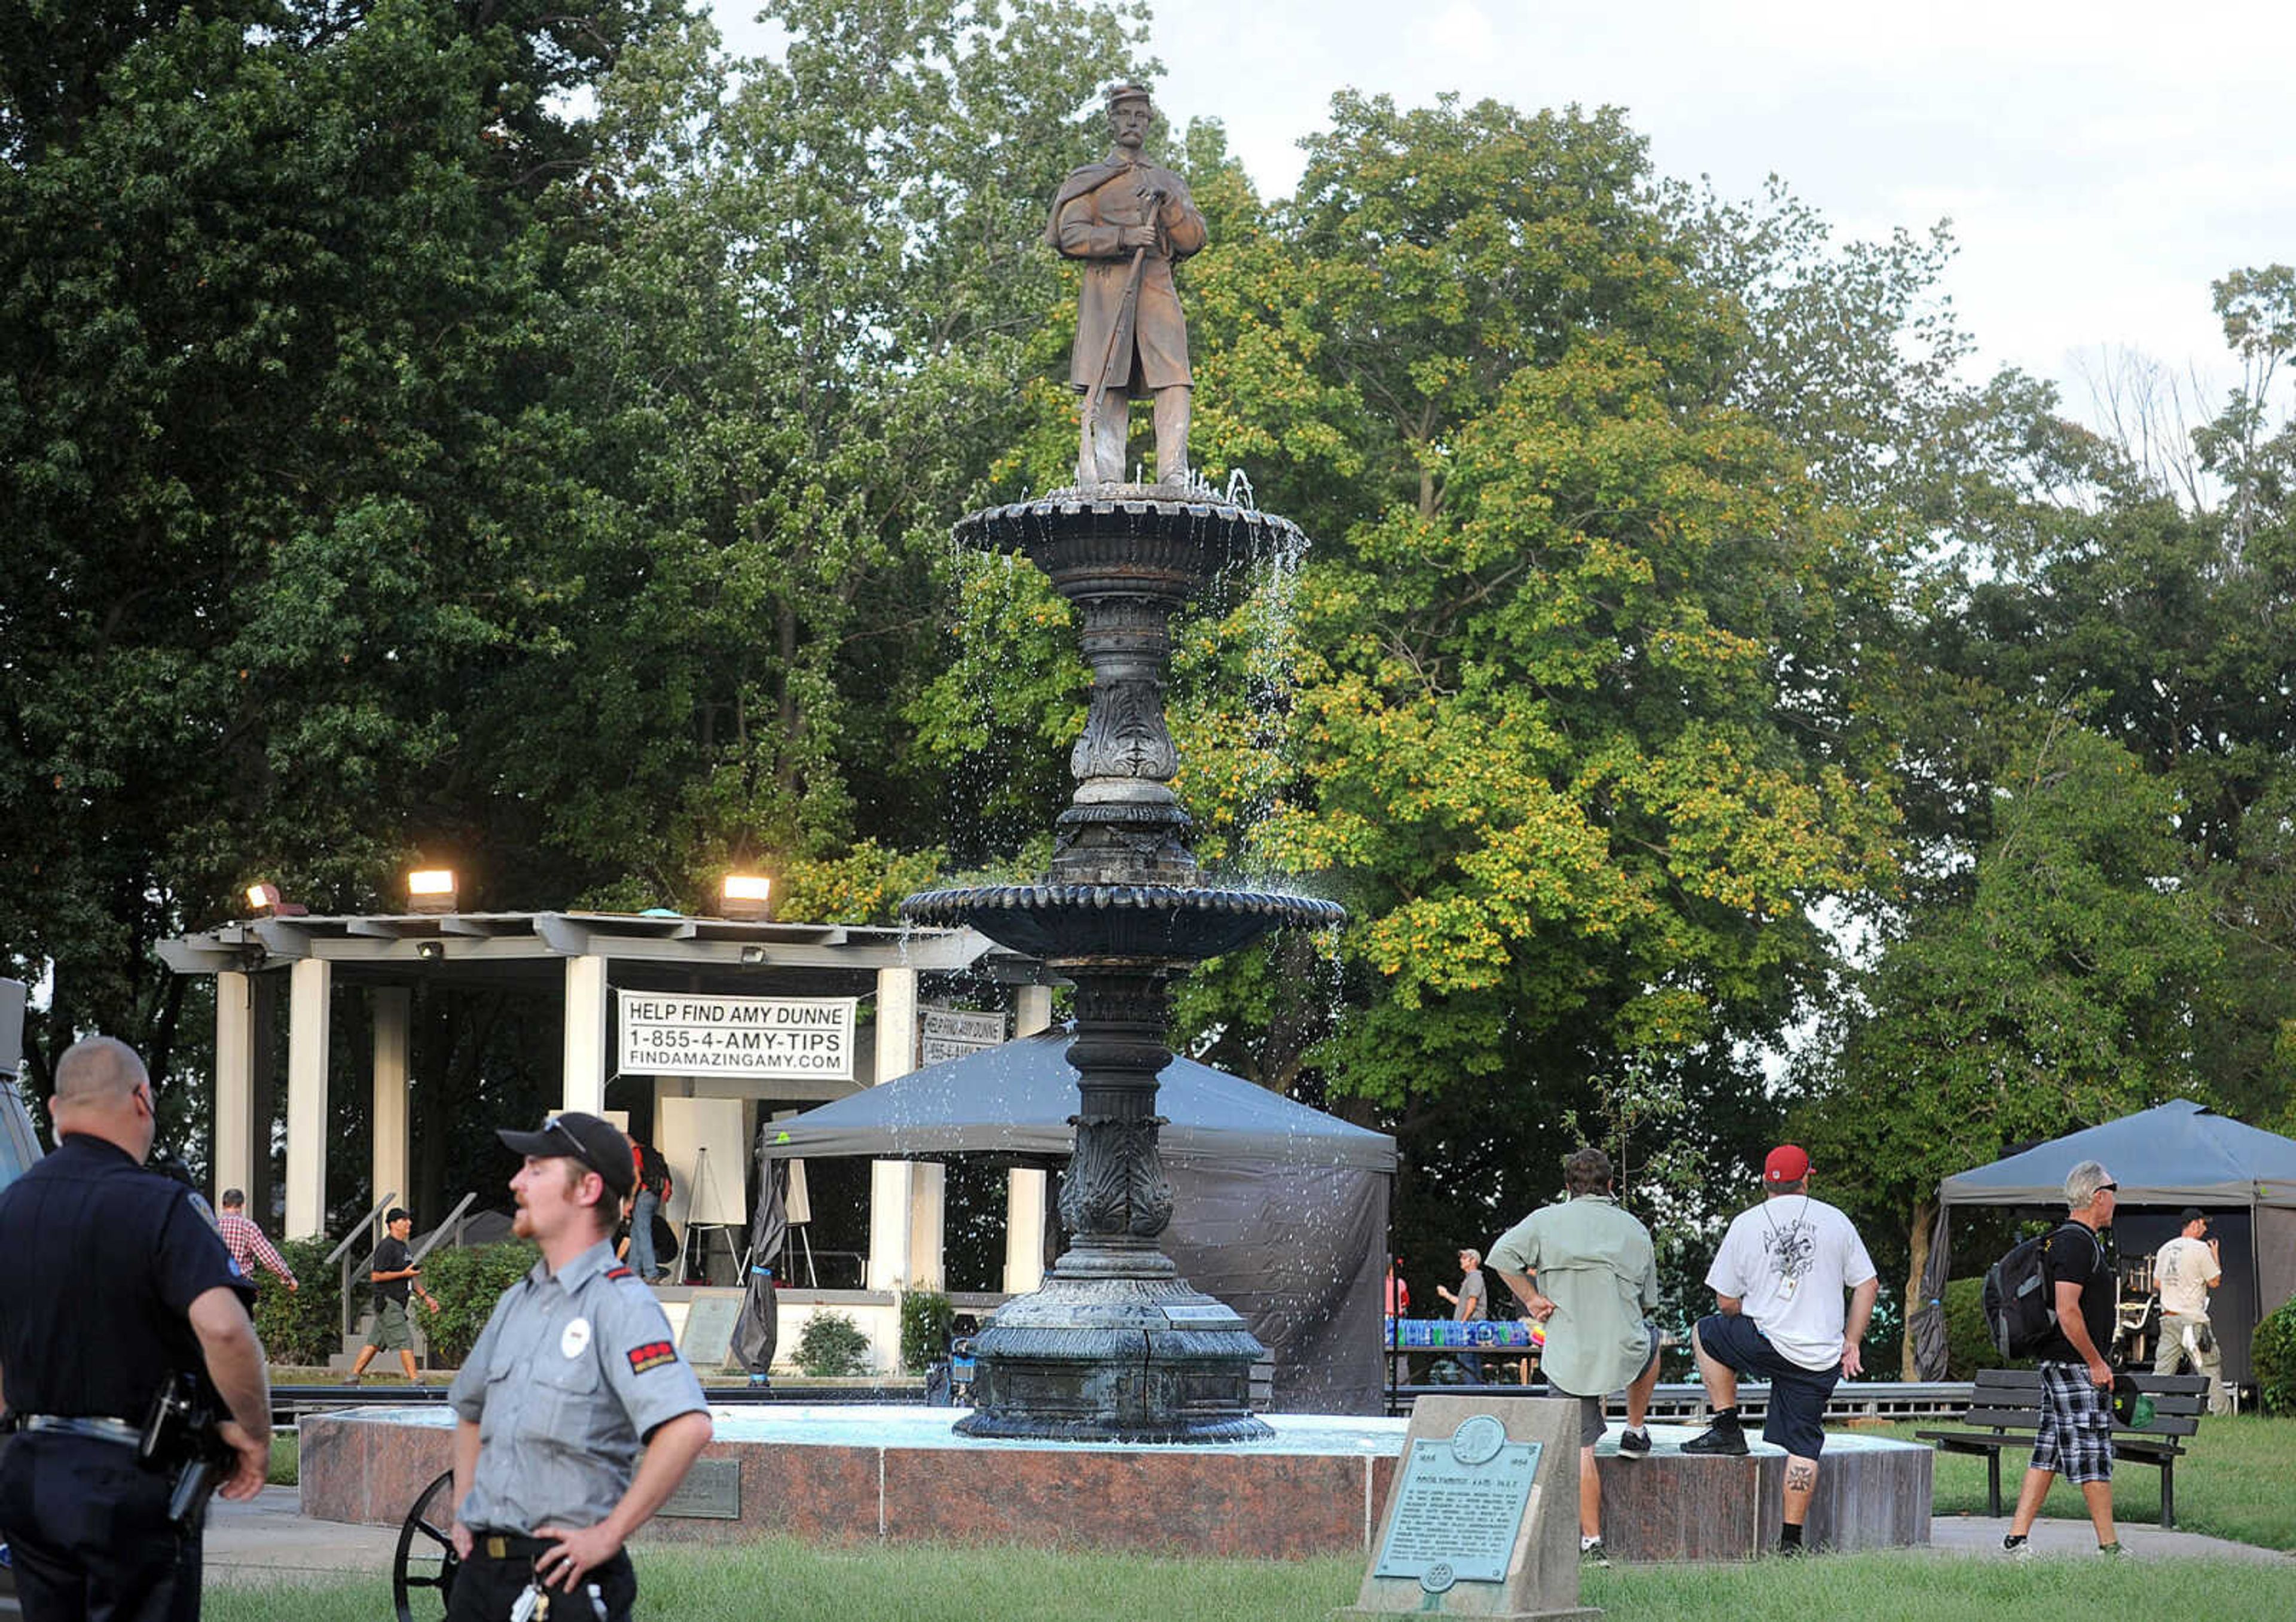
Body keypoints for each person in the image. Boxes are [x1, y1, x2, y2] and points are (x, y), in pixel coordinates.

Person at [0, 1036, 271, 1621]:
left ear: (53, 1110)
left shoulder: (13, 1206)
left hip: (28, 1472)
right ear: (142, 1099)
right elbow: (224, 1329)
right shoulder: (162, 1206)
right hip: (129, 1476)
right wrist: (253, 1431)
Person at [445, 1112, 713, 1621]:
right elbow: (471, 1410)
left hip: (565, 1580)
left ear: (587, 1189)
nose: (516, 1183)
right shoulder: (515, 1303)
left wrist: (607, 1536)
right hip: (480, 1579)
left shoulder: (621, 1307)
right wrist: (465, 1513)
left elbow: (687, 1426)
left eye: (536, 1170)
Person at [1683, 1144, 1878, 1557]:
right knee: (1804, 1446)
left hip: (1765, 1341)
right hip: (1819, 1356)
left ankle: (1727, 1426)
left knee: (1706, 1332)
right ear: (1807, 1177)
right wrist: (1852, 1340)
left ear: (1765, 1182)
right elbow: (1867, 1285)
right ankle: (1790, 1542)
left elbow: (1725, 1302)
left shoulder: (1746, 1223)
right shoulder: (1836, 1220)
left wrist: (1747, 1311)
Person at [1488, 1147, 1663, 1566]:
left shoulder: (1546, 1221)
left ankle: (1592, 1543)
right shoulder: (1634, 1229)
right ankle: (1635, 1429)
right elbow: (1647, 1305)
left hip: (1568, 1352)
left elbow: (1500, 1256)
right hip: (1623, 1348)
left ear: (1568, 1188)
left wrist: (1532, 1298)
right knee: (1653, 1339)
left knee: (1582, 1448)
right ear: (1611, 1186)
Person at [1046, 82, 1208, 487]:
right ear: (1112, 121)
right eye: (1125, 115)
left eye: (1140, 115)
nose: (1132, 122)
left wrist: (1168, 204)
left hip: (1155, 284)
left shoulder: (1168, 181)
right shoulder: (1091, 180)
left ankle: (1173, 471)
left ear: (1149, 123)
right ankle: (1105, 474)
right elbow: (1069, 235)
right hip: (1107, 288)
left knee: (1174, 375)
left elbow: (1193, 239)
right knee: (1108, 375)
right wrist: (1122, 239)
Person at [2003, 1160, 2123, 1559]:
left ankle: (2016, 1539)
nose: (2116, 1198)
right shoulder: (2074, 1243)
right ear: (2097, 1196)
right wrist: (2096, 1362)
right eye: (2113, 1189)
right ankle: (2110, 1547)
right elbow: (2068, 1310)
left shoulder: (2073, 1240)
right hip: (2074, 1364)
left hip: (2063, 1363)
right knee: (2092, 1452)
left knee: (2048, 1450)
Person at [344, 1206, 439, 1385]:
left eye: (408, 1219)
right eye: (404, 1220)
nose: (409, 1223)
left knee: (374, 1342)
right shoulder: (386, 1247)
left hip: (397, 1301)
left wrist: (427, 1297)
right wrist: (402, 1274)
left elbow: (410, 1275)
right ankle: (416, 1381)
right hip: (388, 1301)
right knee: (405, 1340)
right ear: (393, 1224)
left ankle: (353, 1377)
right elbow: (376, 1276)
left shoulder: (403, 1247)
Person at [2152, 1207, 2227, 1415]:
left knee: (2161, 1372)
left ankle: (2147, 1415)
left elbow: (2157, 1283)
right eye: (2203, 1225)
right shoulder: (2200, 1249)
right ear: (2194, 1224)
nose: (2204, 1229)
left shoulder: (2164, 1249)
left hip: (2168, 1320)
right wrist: (2215, 1254)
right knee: (2209, 1370)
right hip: (2192, 1322)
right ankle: (2223, 1416)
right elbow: (2214, 1281)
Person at [217, 1186, 298, 1292]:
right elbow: (268, 1256)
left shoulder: (212, 1226)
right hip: (240, 1287)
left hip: (215, 1288)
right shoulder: (248, 1227)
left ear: (223, 1205)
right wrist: (288, 1277)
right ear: (242, 1205)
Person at [624, 1135, 672, 1285]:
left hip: (644, 1196)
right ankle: (633, 1272)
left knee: (643, 1233)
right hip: (654, 1195)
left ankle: (651, 1273)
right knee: (636, 1233)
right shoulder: (650, 1152)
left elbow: (637, 1179)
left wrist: (630, 1201)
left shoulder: (635, 1153)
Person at [1436, 1247, 1490, 1381]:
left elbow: (1472, 1301)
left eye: (1464, 1258)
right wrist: (1447, 1295)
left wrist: (1463, 1322)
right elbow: (1463, 1303)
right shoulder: (1470, 1278)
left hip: (1470, 1326)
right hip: (1469, 1325)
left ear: (1473, 1261)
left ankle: (1472, 1394)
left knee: (1468, 1362)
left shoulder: (1475, 1277)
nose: (1461, 1260)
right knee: (1469, 1362)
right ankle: (1475, 1393)